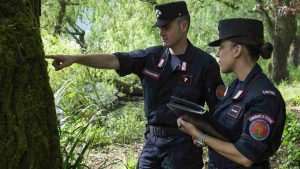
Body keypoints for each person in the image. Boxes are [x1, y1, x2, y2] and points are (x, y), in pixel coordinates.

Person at [46, 1, 223, 168]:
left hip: (183, 146)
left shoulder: (204, 64)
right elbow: (112, 60)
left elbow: (219, 112)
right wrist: (75, 58)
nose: (161, 32)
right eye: (160, 27)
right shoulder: (151, 57)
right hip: (152, 143)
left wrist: (214, 150)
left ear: (183, 26)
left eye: (166, 27)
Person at [177, 18, 286, 169]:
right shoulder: (237, 86)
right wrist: (197, 125)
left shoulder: (263, 97)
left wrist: (202, 137)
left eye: (221, 47)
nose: (218, 54)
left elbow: (246, 156)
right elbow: (228, 133)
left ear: (237, 50)